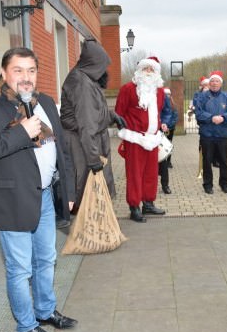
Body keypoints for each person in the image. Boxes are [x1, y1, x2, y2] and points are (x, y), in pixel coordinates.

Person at [0, 47, 77, 332]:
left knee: (47, 259)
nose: (25, 78)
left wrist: (68, 192)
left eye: (31, 70)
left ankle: (45, 310)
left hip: (44, 197)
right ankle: (26, 327)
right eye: (18, 70)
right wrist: (22, 132)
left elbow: (61, 150)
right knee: (20, 269)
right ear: (3, 73)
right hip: (11, 200)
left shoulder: (46, 104)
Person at [60, 39, 126, 210]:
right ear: (94, 64)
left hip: (85, 142)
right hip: (82, 146)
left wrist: (111, 116)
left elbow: (92, 114)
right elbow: (87, 125)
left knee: (93, 196)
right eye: (102, 66)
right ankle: (89, 233)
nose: (104, 70)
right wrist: (94, 159)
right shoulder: (82, 84)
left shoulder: (85, 78)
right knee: (88, 195)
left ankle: (94, 230)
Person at [115, 56, 172, 222]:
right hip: (134, 139)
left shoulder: (160, 92)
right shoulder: (128, 89)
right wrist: (126, 133)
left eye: (152, 69)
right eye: (145, 68)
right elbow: (119, 113)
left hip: (153, 139)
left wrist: (161, 125)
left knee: (151, 173)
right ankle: (134, 206)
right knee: (134, 174)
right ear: (139, 71)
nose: (148, 72)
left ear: (156, 73)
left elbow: (161, 112)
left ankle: (148, 202)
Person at [195, 70, 227, 194]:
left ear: (221, 83)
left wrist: (223, 118)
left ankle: (224, 184)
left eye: (217, 81)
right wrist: (211, 118)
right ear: (209, 83)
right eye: (212, 81)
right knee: (207, 161)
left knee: (223, 161)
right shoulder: (202, 97)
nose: (214, 83)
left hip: (222, 135)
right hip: (207, 135)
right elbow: (198, 113)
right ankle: (208, 184)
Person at [159, 88, 178, 194]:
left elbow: (169, 114)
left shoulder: (166, 101)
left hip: (163, 131)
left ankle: (165, 185)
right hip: (148, 133)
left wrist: (166, 124)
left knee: (163, 159)